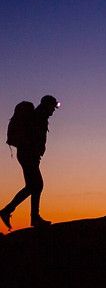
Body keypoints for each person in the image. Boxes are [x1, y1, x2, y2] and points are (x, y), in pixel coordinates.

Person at [0, 95, 60, 229]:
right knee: (37, 185)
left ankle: (10, 211)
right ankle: (32, 217)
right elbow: (32, 136)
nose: (54, 110)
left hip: (29, 155)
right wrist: (33, 149)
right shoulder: (37, 116)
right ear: (47, 105)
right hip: (28, 155)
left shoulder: (40, 116)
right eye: (53, 107)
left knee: (32, 186)